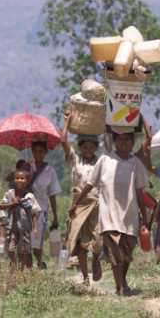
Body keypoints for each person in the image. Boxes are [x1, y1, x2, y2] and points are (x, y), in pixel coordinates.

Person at [70, 130, 149, 296]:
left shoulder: (136, 164)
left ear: (132, 142)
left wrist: (145, 217)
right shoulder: (105, 160)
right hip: (108, 215)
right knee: (115, 254)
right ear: (114, 141)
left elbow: (140, 193)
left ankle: (122, 281)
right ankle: (120, 286)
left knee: (126, 255)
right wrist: (76, 203)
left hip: (129, 216)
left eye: (128, 140)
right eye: (120, 139)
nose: (124, 143)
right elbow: (90, 184)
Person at [60, 112, 102, 286]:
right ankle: (85, 278)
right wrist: (67, 123)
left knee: (98, 239)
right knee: (80, 243)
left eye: (91, 147)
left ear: (95, 147)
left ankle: (98, 258)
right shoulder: (75, 161)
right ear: (81, 147)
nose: (88, 150)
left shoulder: (101, 162)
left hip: (96, 204)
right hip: (78, 205)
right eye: (85, 147)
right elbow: (63, 141)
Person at [28, 141, 62, 269]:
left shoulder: (50, 170)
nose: (38, 154)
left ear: (45, 153)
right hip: (25, 210)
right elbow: (15, 182)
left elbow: (52, 194)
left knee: (36, 243)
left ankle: (40, 263)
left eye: (41, 151)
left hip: (41, 211)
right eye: (35, 151)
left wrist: (55, 216)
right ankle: (27, 266)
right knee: (25, 241)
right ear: (32, 152)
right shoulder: (26, 167)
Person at [0, 169, 41, 272]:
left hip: (25, 227)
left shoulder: (29, 196)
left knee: (24, 250)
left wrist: (35, 228)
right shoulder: (10, 194)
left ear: (27, 181)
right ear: (14, 180)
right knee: (10, 248)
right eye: (17, 178)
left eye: (22, 178)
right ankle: (13, 264)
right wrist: (11, 205)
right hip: (11, 226)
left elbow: (34, 212)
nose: (19, 180)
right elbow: (1, 206)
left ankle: (21, 270)